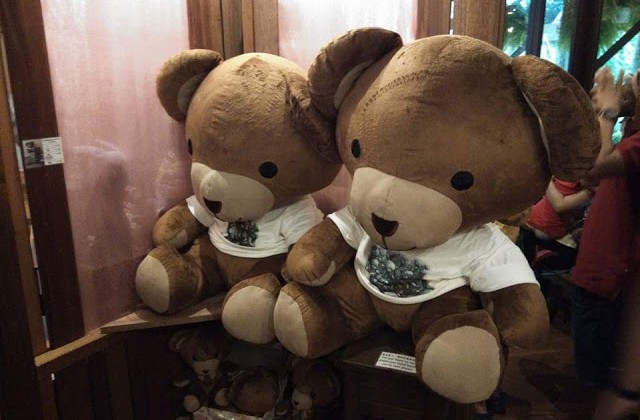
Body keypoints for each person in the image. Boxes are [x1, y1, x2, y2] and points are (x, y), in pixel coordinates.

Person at [568, 67, 640, 420]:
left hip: (610, 278)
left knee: (601, 382)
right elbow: (586, 174)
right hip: (600, 272)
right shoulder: (632, 136)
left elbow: (593, 166)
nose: (633, 81)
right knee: (594, 374)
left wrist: (608, 113)